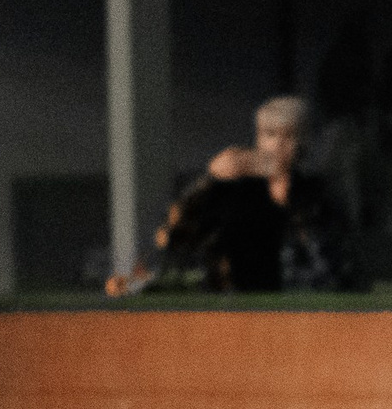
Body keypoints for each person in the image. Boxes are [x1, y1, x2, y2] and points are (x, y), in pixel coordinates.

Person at [127, 95, 358, 294]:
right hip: (235, 308)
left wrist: (290, 199)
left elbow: (334, 270)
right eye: (270, 134)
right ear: (258, 139)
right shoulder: (233, 193)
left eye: (288, 136)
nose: (278, 144)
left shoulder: (316, 194)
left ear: (303, 142)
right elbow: (172, 239)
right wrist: (208, 180)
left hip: (299, 308)